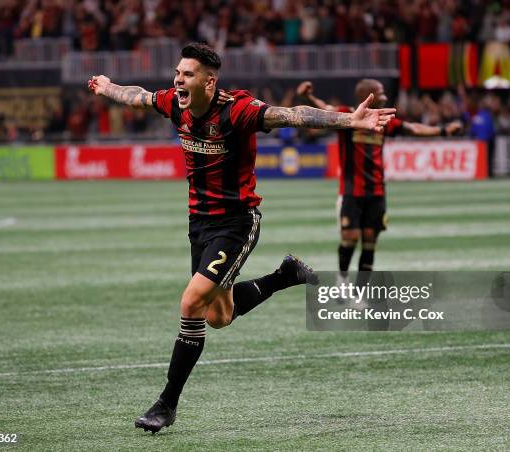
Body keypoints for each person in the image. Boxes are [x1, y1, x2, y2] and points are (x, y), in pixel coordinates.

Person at [88, 43, 396, 434]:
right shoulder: (175, 104)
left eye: (187, 74)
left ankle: (165, 404)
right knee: (220, 316)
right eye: (178, 72)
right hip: (198, 223)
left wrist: (347, 122)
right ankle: (285, 275)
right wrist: (107, 85)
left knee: (191, 302)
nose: (178, 79)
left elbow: (293, 115)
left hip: (236, 224)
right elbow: (137, 97)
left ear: (209, 81)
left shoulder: (238, 109)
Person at [296, 79, 461, 290]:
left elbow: (413, 128)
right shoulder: (348, 115)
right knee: (350, 237)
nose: (384, 96)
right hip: (351, 191)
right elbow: (325, 110)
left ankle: (360, 292)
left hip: (376, 191)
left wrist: (443, 131)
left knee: (369, 242)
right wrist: (307, 97)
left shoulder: (384, 120)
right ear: (369, 95)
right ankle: (342, 280)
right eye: (380, 92)